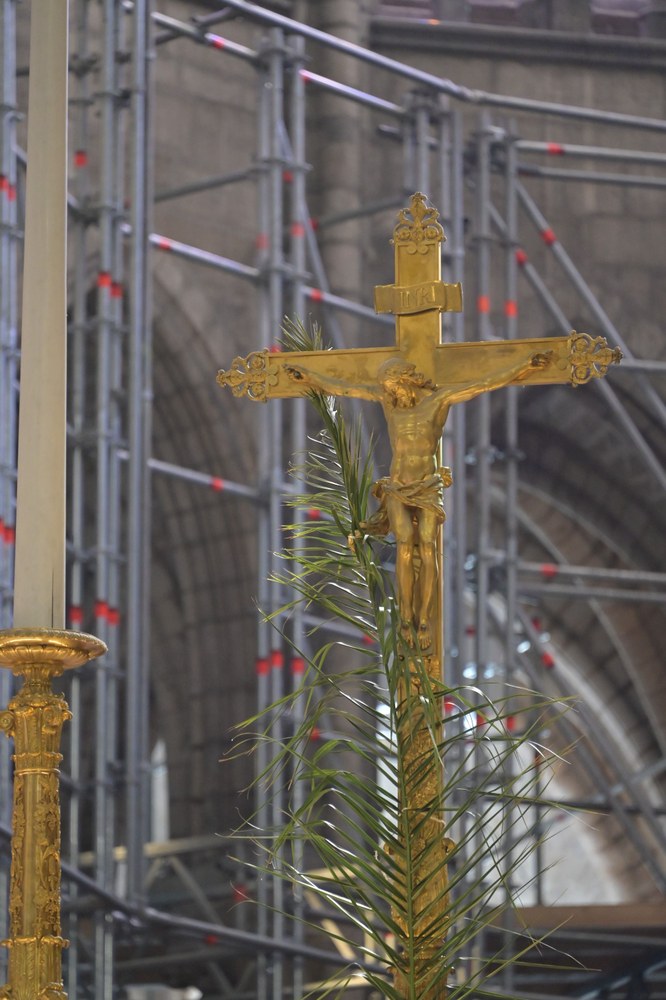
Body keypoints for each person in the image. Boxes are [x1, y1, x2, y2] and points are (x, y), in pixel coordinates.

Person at [286, 350, 553, 650]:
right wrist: (311, 378)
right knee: (403, 545)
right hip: (398, 487)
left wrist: (523, 365)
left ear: (406, 380)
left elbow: (482, 384)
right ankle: (405, 617)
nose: (392, 394)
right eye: (388, 390)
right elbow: (348, 389)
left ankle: (423, 618)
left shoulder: (436, 403)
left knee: (427, 547)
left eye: (394, 388)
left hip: (426, 486)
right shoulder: (390, 407)